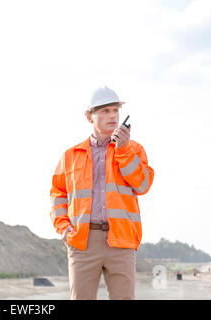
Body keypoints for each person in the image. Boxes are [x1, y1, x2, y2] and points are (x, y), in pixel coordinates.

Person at [49, 86, 154, 300]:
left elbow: (142, 185)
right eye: (105, 111)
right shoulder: (71, 155)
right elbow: (57, 194)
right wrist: (64, 228)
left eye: (115, 110)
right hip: (83, 241)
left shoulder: (134, 149)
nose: (113, 116)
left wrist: (123, 149)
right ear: (90, 116)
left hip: (122, 240)